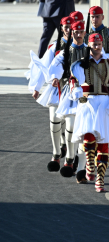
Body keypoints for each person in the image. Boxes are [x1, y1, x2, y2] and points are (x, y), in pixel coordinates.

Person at [69, 33, 109, 192]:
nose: (97, 47)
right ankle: (89, 162)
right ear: (89, 45)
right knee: (88, 133)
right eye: (94, 45)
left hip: (105, 103)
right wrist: (75, 90)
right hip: (88, 102)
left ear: (102, 45)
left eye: (99, 44)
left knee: (103, 143)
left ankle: (100, 179)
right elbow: (73, 81)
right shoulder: (79, 64)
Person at [26, 16, 73, 173]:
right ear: (61, 28)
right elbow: (42, 66)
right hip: (56, 88)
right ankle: (56, 153)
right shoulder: (54, 47)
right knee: (54, 119)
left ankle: (70, 154)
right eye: (66, 27)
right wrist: (37, 87)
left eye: (71, 26)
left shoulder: (82, 46)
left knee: (68, 122)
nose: (69, 29)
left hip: (74, 90)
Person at [46, 20, 88, 176]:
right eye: (74, 31)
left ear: (84, 32)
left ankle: (77, 159)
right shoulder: (64, 51)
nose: (76, 34)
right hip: (69, 92)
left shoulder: (90, 51)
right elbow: (54, 67)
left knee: (84, 129)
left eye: (79, 31)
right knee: (68, 125)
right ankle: (66, 158)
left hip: (87, 94)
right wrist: (54, 77)